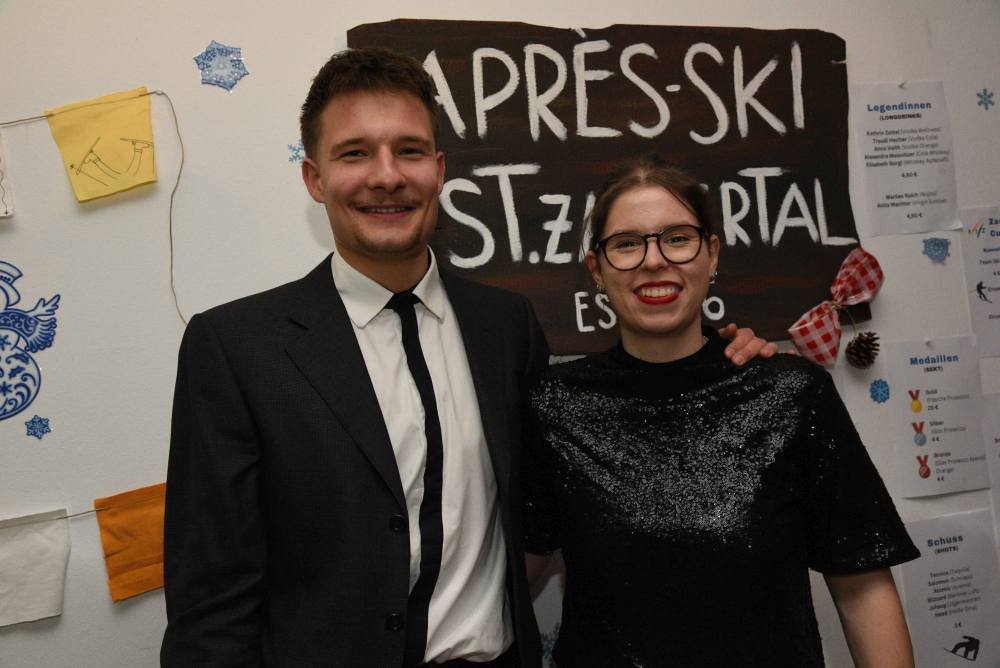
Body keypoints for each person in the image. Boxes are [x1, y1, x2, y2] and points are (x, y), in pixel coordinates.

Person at [160, 49, 772, 667]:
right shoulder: (237, 349)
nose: (386, 176)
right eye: (355, 153)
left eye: (409, 150)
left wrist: (720, 362)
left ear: (439, 169)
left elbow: (577, 472)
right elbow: (210, 604)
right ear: (315, 179)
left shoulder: (505, 326)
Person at [523, 155, 919, 668]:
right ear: (596, 269)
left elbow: (862, 586)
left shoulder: (792, 393)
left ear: (711, 255)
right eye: (627, 244)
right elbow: (512, 574)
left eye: (677, 238)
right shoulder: (555, 405)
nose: (653, 260)